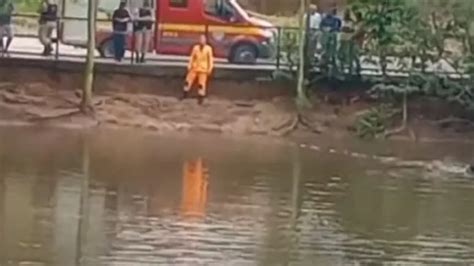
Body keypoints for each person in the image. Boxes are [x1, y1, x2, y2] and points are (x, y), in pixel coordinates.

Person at [182, 35, 214, 105]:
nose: (201, 41)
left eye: (203, 40)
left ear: (205, 40)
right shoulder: (195, 48)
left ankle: (200, 98)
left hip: (203, 69)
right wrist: (189, 65)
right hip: (194, 68)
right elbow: (192, 57)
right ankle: (185, 94)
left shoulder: (208, 49)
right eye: (200, 39)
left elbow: (210, 59)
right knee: (188, 81)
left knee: (201, 84)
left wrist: (210, 68)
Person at [319, 8, 342, 75]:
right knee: (324, 50)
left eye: (330, 12)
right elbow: (320, 25)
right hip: (325, 36)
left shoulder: (335, 19)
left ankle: (335, 67)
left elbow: (338, 26)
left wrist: (331, 29)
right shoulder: (324, 19)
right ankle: (323, 66)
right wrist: (324, 29)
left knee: (333, 52)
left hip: (332, 35)